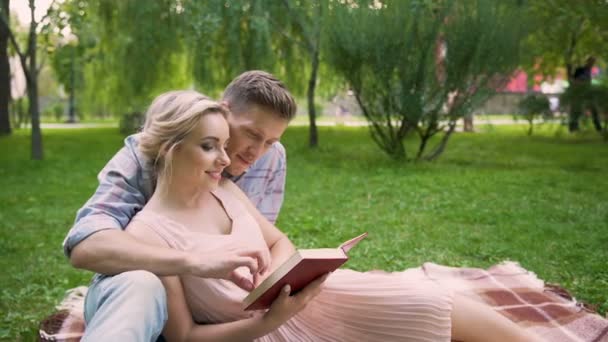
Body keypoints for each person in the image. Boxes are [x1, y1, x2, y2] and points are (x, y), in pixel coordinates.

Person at [123, 90, 539, 341]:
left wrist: (284, 276)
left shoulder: (225, 189)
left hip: (308, 300)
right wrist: (267, 322)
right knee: (424, 310)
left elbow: (276, 241)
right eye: (210, 146)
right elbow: (183, 336)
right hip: (265, 331)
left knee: (428, 300)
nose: (227, 158)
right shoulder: (146, 234)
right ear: (169, 149)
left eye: (224, 144)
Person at [63, 71, 297, 341]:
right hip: (150, 288)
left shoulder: (272, 157)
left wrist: (269, 289)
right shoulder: (145, 155)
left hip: (226, 301)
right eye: (251, 134)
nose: (257, 152)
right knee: (141, 283)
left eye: (269, 141)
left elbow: (266, 243)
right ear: (224, 111)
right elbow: (86, 247)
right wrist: (196, 262)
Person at [570, 57, 601, 132]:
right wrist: (580, 84)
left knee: (594, 110)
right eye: (591, 62)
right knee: (577, 110)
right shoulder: (580, 70)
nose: (592, 64)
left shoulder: (589, 71)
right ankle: (573, 127)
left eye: (593, 62)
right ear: (587, 62)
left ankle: (598, 128)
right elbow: (573, 80)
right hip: (579, 93)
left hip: (588, 93)